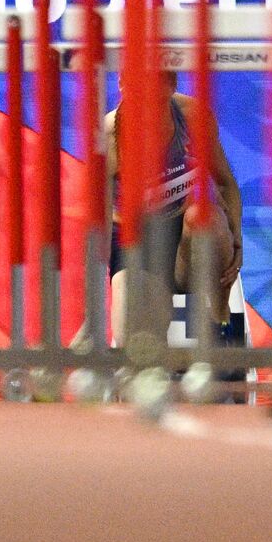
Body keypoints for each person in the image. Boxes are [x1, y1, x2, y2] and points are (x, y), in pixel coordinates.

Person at [102, 70, 243, 348]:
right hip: (136, 245)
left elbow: (225, 184)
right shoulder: (110, 137)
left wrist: (236, 242)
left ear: (171, 88)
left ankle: (221, 320)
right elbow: (97, 223)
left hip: (184, 240)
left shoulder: (193, 116)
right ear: (121, 86)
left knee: (206, 217)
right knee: (137, 345)